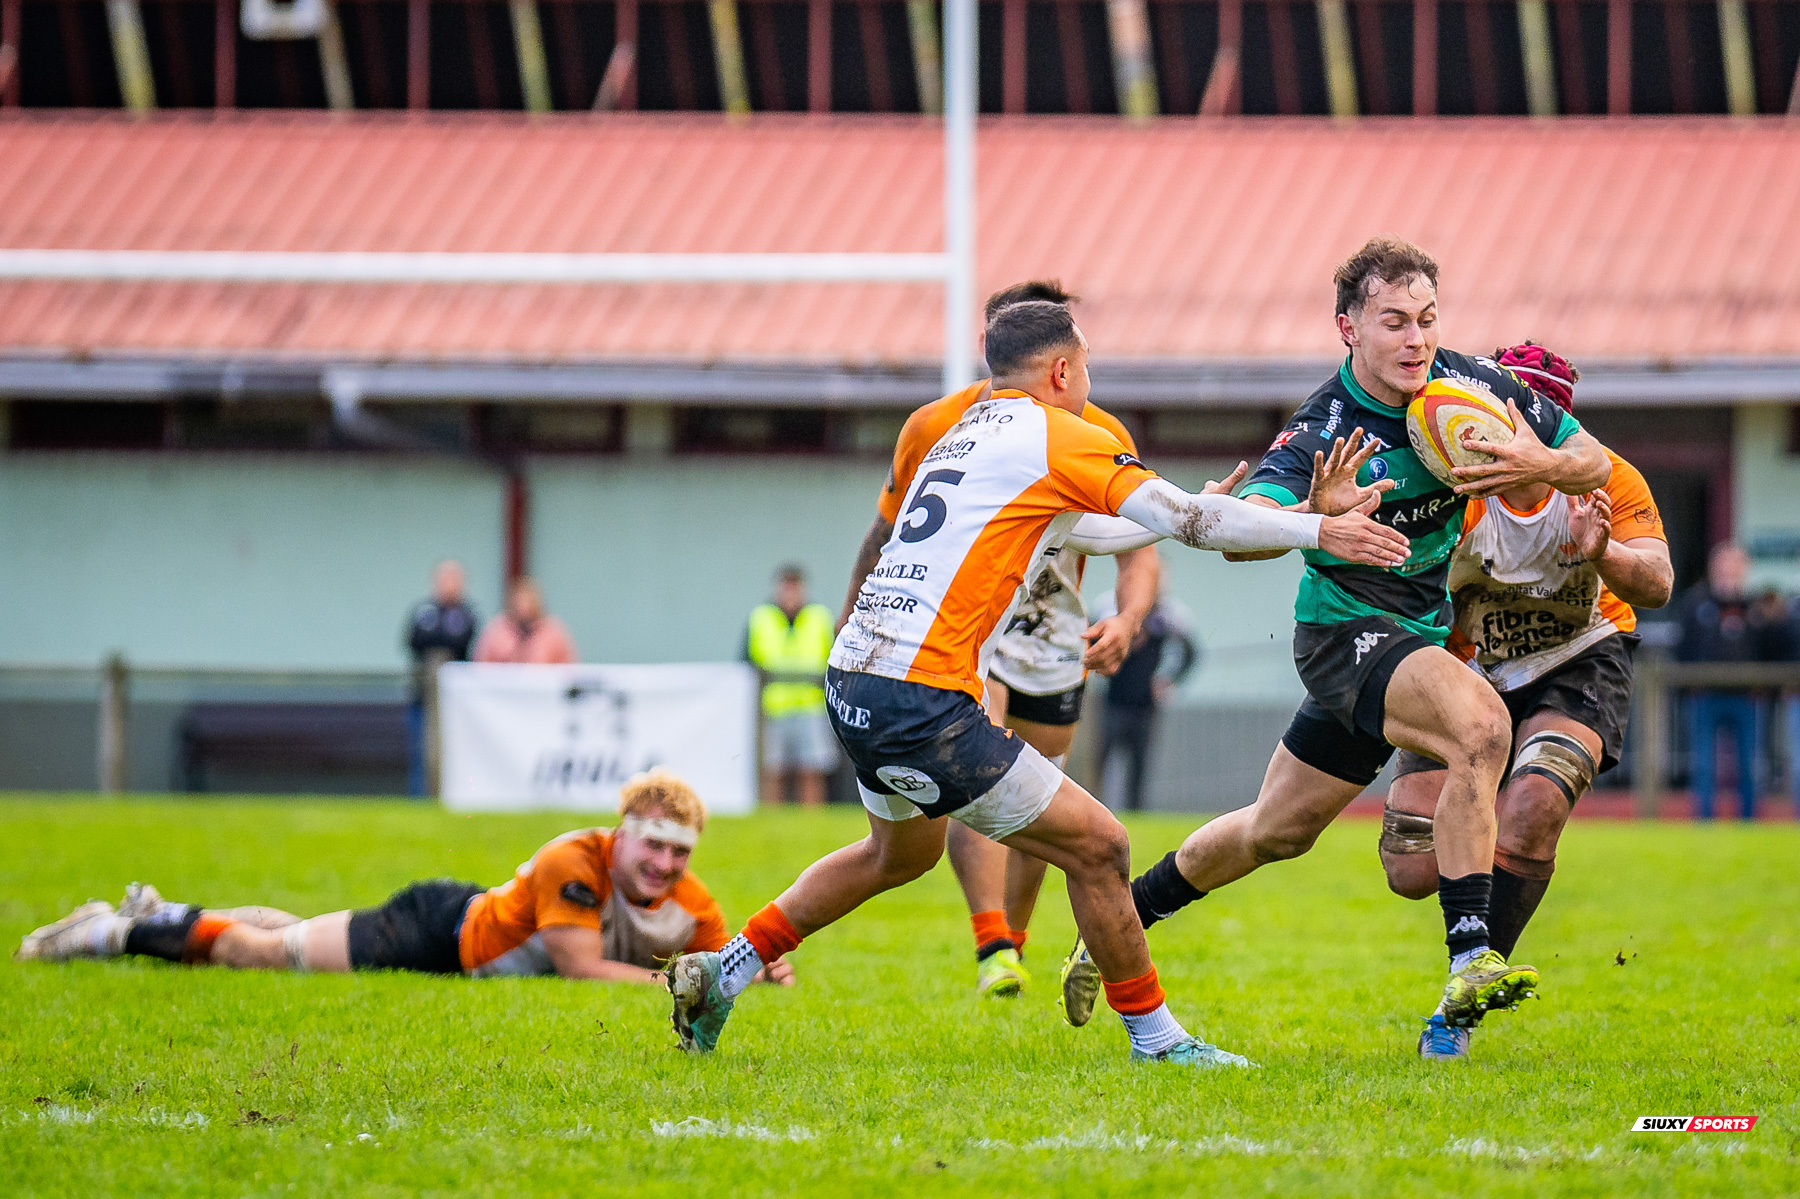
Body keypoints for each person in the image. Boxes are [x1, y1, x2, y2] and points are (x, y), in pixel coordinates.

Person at [664, 298, 1409, 1066]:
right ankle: (1158, 1039)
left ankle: (722, 974)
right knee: (1100, 846)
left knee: (897, 856)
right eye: (1085, 369)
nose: (1089, 386)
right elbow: (1192, 526)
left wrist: (1205, 507)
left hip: (857, 676)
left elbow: (1096, 528)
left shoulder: (970, 428)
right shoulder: (1056, 432)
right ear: (1061, 371)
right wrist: (1316, 526)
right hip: (921, 698)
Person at [1058, 237, 1612, 1048]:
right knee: (1484, 728)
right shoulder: (1325, 427)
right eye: (1393, 322)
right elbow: (1240, 537)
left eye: (1426, 319)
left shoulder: (1473, 386)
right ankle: (1470, 958)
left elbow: (1594, 459)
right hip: (1344, 632)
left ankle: (1121, 921)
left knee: (1274, 829)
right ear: (1348, 327)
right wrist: (1315, 515)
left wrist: (1543, 458)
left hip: (1414, 634)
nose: (1416, 338)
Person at [837, 280, 1167, 1000]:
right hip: (954, 632)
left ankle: (1012, 940)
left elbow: (1139, 544)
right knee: (978, 756)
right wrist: (857, 617)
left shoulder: (1096, 428)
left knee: (1036, 784)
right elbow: (888, 529)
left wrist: (1130, 618)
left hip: (1052, 623)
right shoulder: (935, 423)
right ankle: (992, 941)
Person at [1375, 341, 1672, 1058]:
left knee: (1534, 809)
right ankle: (1474, 882)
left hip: (1580, 657)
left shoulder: (1606, 480)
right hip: (1476, 671)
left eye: (1541, 412)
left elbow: (1658, 584)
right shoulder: (1452, 491)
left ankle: (1460, 1004)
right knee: (1408, 868)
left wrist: (1603, 553)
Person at [17, 769, 793, 987]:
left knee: (286, 929)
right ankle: (111, 931)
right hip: (432, 936)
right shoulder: (573, 861)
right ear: (620, 834)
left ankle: (167, 909)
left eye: (678, 853)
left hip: (452, 922)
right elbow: (582, 968)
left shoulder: (692, 898)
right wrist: (690, 982)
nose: (663, 864)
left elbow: (724, 954)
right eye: (651, 845)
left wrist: (758, 962)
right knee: (264, 954)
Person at [1674, 544, 1765, 820]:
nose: (1729, 570)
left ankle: (1749, 821)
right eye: (1724, 564)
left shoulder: (1756, 607)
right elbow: (1682, 647)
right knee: (1704, 763)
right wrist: (1688, 683)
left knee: (1749, 764)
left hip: (1747, 698)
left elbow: (1770, 648)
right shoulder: (1695, 603)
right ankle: (1704, 821)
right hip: (1705, 696)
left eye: (1735, 564)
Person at [1095, 591, 1199, 812]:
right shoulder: (1110, 615)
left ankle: (1135, 813)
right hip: (1113, 702)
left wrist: (1170, 682)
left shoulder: (1164, 622)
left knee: (1140, 767)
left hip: (1145, 707)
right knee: (1100, 763)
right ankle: (1095, 810)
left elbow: (1190, 652)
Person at [747, 565, 838, 808]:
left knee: (812, 768)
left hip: (811, 704)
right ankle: (771, 819)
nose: (790, 594)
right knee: (773, 768)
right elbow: (747, 662)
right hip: (773, 706)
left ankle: (812, 818)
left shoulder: (820, 617)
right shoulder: (761, 617)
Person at [403, 560, 479, 797]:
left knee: (457, 752)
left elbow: (462, 640)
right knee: (422, 751)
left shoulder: (468, 613)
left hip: (458, 704)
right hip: (424, 696)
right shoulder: (423, 611)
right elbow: (414, 640)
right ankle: (421, 799)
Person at [473, 576, 577, 664]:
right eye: (520, 601)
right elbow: (482, 662)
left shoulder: (553, 631)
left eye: (527, 601)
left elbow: (567, 665)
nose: (523, 607)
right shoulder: (497, 629)